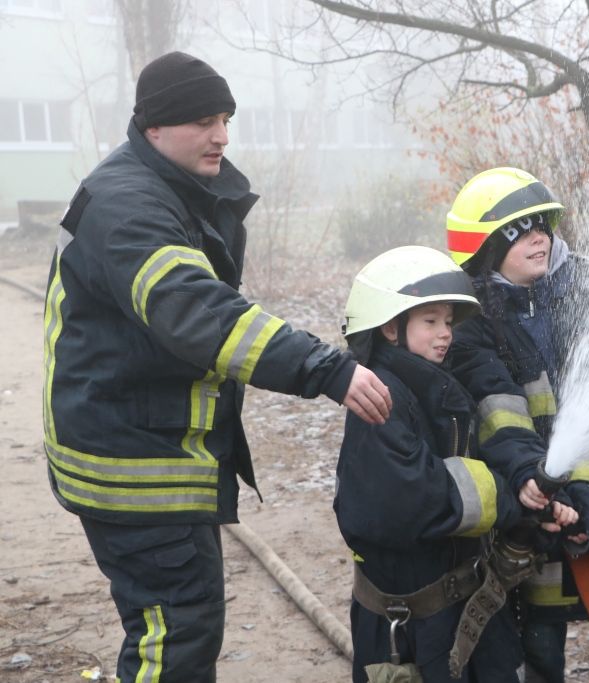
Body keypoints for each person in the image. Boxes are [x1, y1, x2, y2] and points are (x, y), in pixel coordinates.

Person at [42, 51, 391, 682]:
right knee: (174, 633)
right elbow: (200, 312)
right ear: (154, 126)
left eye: (226, 118)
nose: (223, 136)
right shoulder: (128, 206)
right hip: (135, 463)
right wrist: (325, 369)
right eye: (204, 120)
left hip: (143, 445)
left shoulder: (164, 186)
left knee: (181, 622)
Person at [445, 167, 589, 683]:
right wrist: (531, 477)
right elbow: (496, 412)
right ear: (484, 248)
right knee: (540, 649)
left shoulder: (587, 294)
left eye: (543, 224)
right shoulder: (470, 327)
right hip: (534, 516)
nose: (539, 235)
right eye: (519, 228)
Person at [335, 245, 578, 683]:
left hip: (465, 611)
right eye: (430, 322)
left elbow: (475, 461)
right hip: (413, 630)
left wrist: (530, 494)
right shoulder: (381, 400)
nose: (445, 333)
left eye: (448, 322)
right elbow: (421, 494)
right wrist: (512, 500)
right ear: (391, 328)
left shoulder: (439, 387)